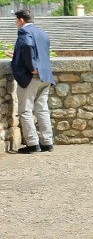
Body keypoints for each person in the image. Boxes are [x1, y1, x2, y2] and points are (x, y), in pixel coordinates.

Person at [11, 10, 55, 154]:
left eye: (16, 20)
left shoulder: (24, 32)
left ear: (21, 20)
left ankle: (33, 144)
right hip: (45, 76)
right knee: (42, 109)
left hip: (31, 77)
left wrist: (31, 68)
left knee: (25, 111)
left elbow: (27, 46)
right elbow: (39, 51)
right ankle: (47, 142)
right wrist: (16, 54)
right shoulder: (42, 33)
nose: (16, 23)